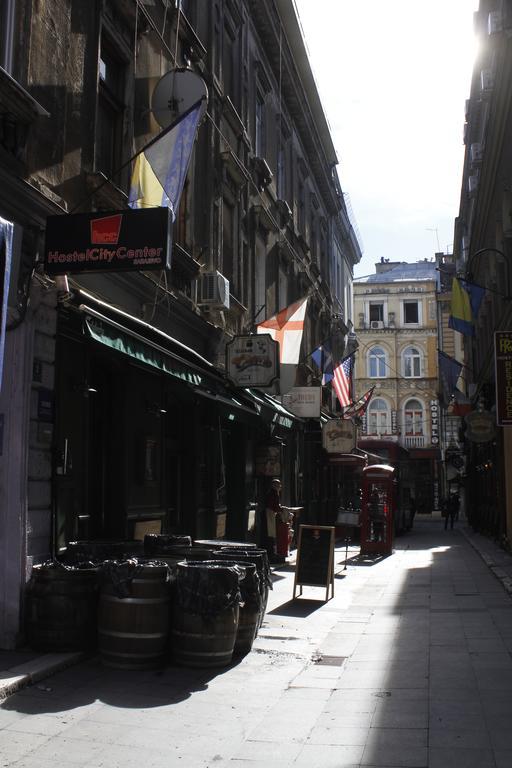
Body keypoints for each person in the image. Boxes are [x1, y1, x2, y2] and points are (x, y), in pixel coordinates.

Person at [264, 479, 294, 561]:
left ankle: (271, 551)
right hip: (270, 513)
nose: (280, 487)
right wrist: (282, 510)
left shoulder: (271, 493)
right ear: (274, 486)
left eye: (280, 485)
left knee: (270, 533)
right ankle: (271, 552)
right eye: (278, 485)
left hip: (269, 512)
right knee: (271, 533)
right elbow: (275, 506)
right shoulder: (274, 493)